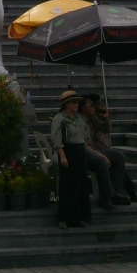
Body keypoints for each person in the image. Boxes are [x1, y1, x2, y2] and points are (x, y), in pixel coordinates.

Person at [80, 95, 137, 204]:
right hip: (89, 152)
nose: (95, 108)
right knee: (117, 157)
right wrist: (101, 155)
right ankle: (117, 193)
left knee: (118, 159)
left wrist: (105, 118)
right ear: (83, 108)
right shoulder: (80, 122)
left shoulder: (92, 119)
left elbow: (106, 129)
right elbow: (84, 146)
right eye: (92, 105)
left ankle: (117, 191)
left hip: (96, 151)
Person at [50, 90, 92, 229]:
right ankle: (65, 218)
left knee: (82, 184)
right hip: (67, 151)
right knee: (68, 185)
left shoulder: (79, 118)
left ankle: (82, 217)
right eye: (74, 102)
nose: (76, 105)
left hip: (80, 151)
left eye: (77, 102)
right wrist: (62, 156)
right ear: (67, 104)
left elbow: (84, 135)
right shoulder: (59, 119)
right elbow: (56, 139)